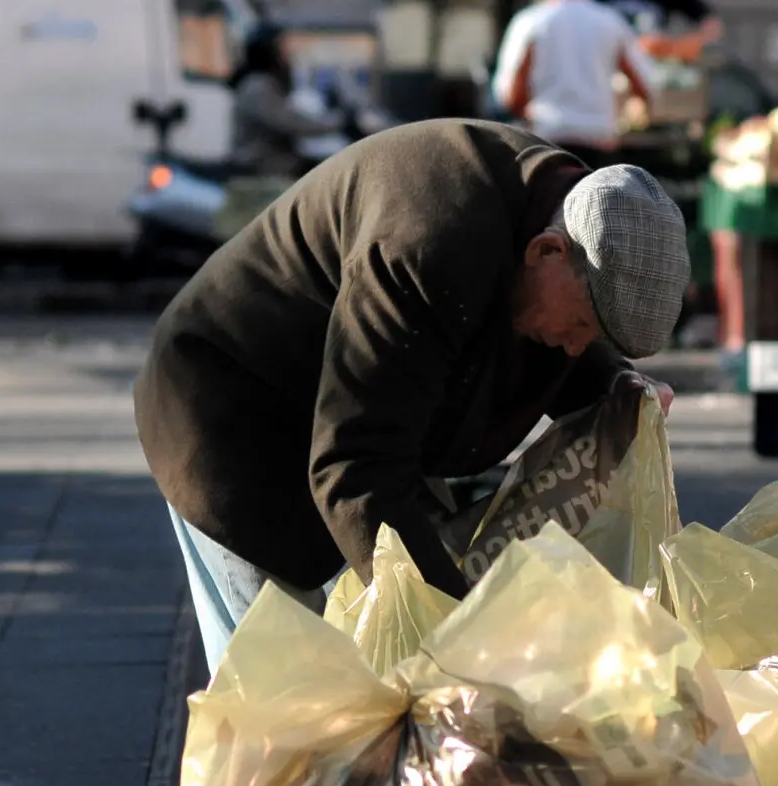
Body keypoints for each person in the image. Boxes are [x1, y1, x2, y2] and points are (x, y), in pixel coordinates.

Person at [136, 119, 689, 668]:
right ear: (546, 251)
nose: (574, 350)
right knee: (284, 698)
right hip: (234, 412)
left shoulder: (556, 208)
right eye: (582, 327)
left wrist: (618, 386)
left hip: (362, 415)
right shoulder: (426, 243)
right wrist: (463, 630)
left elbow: (570, 315)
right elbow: (355, 469)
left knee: (389, 664)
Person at [492, 0, 658, 167]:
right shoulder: (610, 21)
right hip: (599, 139)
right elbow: (643, 83)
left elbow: (510, 96)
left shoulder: (530, 22)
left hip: (546, 139)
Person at [227, 27, 336, 177]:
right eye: (282, 49)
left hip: (274, 161)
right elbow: (289, 121)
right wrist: (335, 125)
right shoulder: (258, 86)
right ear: (268, 52)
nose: (288, 55)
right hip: (262, 166)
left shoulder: (264, 82)